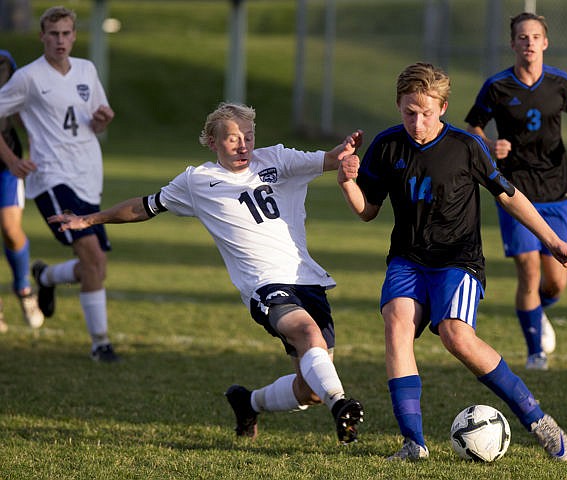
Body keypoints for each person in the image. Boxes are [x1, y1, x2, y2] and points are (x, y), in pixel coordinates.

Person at [47, 102, 366, 444]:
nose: (243, 144)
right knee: (307, 333)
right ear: (213, 143)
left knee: (309, 390)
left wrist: (346, 155)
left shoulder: (278, 159)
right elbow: (144, 206)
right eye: (232, 139)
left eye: (248, 136)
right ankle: (340, 405)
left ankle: (249, 402)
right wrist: (88, 220)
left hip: (308, 280)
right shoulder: (198, 181)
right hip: (264, 285)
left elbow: (330, 159)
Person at [338, 62, 567, 462]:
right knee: (396, 323)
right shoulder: (386, 146)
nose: (417, 122)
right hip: (408, 259)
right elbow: (368, 210)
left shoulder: (467, 147)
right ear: (398, 105)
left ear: (444, 108)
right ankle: (413, 442)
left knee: (455, 334)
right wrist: (348, 180)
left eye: (426, 113)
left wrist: (552, 240)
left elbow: (509, 195)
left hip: (458, 261)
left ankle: (539, 421)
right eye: (409, 112)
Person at [465, 12, 567, 371]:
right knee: (528, 271)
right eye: (522, 38)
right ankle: (534, 353)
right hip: (513, 190)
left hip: (556, 190)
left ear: (545, 42)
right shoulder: (497, 86)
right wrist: (489, 143)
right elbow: (473, 126)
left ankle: (540, 312)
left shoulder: (560, 82)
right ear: (512, 44)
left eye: (535, 37)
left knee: (555, 282)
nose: (528, 43)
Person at [0, 6, 118, 361]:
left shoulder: (86, 70)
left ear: (74, 36)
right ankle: (101, 344)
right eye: (53, 34)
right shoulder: (29, 78)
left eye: (66, 33)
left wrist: (102, 120)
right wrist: (12, 160)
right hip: (51, 177)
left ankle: (47, 276)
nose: (60, 40)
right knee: (93, 256)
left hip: (87, 174)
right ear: (42, 37)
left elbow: (97, 121)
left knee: (96, 267)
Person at [0, 49, 44, 333]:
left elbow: (26, 121)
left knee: (10, 229)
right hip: (10, 162)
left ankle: (23, 288)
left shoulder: (9, 67)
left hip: (6, 169)